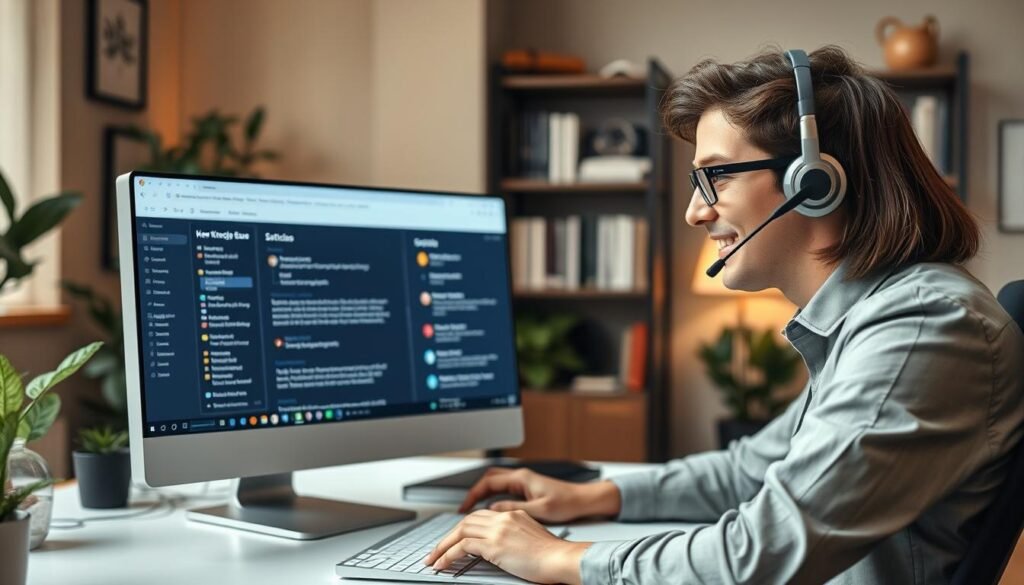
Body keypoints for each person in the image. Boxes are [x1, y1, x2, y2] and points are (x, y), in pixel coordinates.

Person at [423, 45, 1024, 584]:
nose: (694, 212)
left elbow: (761, 552)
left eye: (712, 177)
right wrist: (592, 496)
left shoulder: (921, 326)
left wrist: (560, 559)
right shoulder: (873, 317)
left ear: (815, 182)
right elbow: (749, 471)